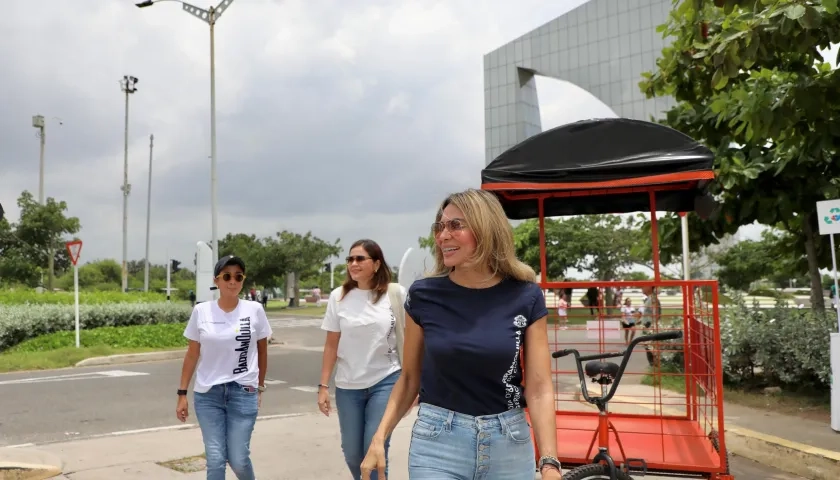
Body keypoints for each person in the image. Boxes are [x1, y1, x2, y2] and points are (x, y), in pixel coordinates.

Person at [360, 188, 562, 480]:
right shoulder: (423, 295)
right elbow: (409, 379)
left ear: (486, 229)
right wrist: (379, 438)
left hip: (509, 441)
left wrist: (549, 462)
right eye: (440, 226)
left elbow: (540, 387)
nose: (443, 236)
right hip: (437, 442)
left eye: (456, 225)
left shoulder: (525, 296)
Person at [175, 255, 273, 480]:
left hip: (243, 392)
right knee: (216, 459)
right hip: (209, 395)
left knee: (238, 459)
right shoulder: (202, 312)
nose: (233, 281)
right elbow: (192, 354)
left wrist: (259, 386)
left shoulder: (255, 310)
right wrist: (182, 393)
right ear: (216, 280)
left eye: (238, 276)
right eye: (227, 276)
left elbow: (262, 351)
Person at [318, 239, 407, 480]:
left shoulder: (395, 293)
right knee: (352, 453)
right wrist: (323, 386)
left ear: (376, 264)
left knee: (375, 449)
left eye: (360, 259)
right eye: (350, 259)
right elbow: (331, 344)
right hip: (348, 386)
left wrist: (413, 383)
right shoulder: (339, 296)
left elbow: (411, 340)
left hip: (386, 380)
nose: (353, 264)